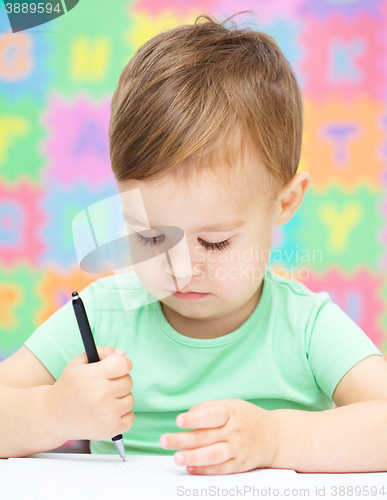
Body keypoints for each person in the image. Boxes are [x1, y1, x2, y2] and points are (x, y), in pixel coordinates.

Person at [1, 12, 386, 474]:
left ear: (284, 203)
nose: (180, 269)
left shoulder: (305, 328)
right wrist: (51, 412)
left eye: (216, 243)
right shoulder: (106, 314)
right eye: (150, 237)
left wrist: (278, 439)